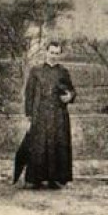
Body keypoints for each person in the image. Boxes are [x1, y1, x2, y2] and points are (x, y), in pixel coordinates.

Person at [22, 40, 77, 189]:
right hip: (40, 114)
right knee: (39, 146)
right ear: (46, 52)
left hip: (59, 115)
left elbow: (72, 91)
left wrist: (69, 96)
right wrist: (29, 115)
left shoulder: (63, 72)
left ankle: (55, 179)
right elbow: (29, 94)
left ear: (60, 55)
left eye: (57, 53)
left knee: (58, 146)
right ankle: (37, 179)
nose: (54, 56)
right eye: (52, 52)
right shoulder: (36, 71)